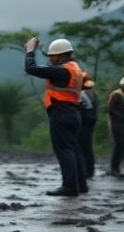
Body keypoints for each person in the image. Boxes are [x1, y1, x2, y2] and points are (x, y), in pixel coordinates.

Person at [24, 37, 87, 195]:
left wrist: (30, 50)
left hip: (61, 112)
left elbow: (31, 68)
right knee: (74, 149)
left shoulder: (61, 70)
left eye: (52, 55)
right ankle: (81, 184)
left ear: (60, 55)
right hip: (74, 112)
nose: (50, 58)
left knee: (64, 149)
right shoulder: (75, 68)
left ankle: (70, 186)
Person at [79, 76, 98, 181]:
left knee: (84, 148)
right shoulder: (92, 95)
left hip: (84, 125)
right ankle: (89, 170)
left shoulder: (83, 95)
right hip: (89, 125)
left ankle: (87, 170)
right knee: (87, 148)